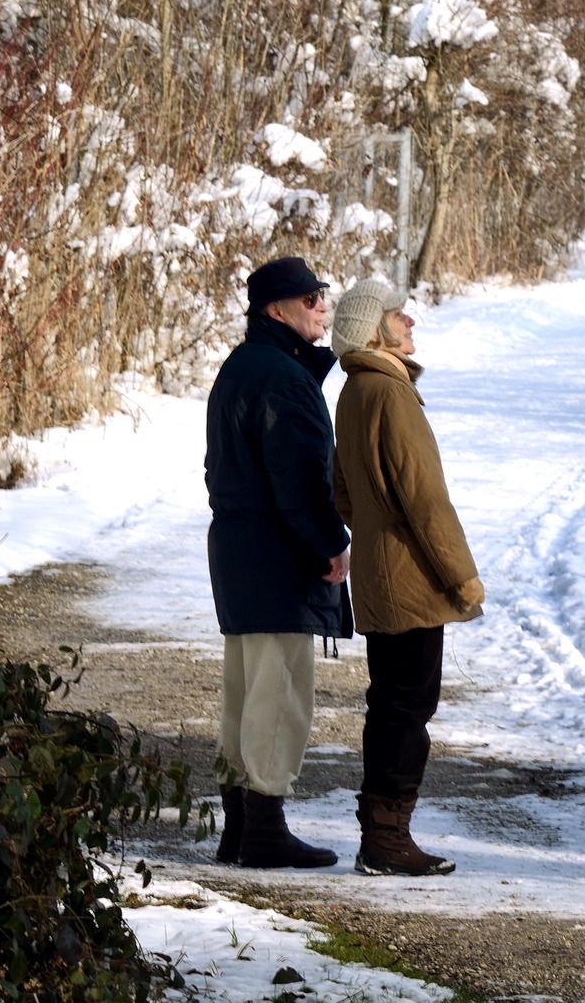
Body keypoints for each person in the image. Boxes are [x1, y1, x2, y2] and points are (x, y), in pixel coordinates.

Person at [331, 277, 484, 877]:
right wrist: (462, 579)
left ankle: (383, 837)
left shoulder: (353, 391)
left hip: (378, 573)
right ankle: (388, 839)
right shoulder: (390, 394)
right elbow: (426, 502)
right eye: (399, 315)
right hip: (412, 581)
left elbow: (345, 495)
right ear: (375, 328)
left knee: (392, 701)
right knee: (407, 705)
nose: (411, 322)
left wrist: (373, 537)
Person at [204, 255, 352, 869]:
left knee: (245, 689)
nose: (323, 304)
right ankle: (263, 825)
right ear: (276, 309)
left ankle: (241, 827)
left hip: (242, 550)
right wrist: (328, 542)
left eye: (322, 294)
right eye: (311, 296)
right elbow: (298, 478)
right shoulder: (282, 378)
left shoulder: (244, 367)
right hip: (277, 554)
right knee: (279, 692)